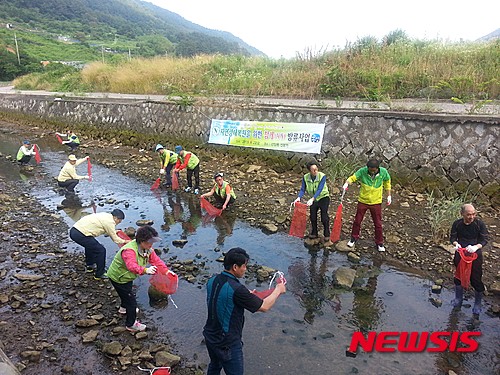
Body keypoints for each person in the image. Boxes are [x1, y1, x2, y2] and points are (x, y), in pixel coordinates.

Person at [203, 247, 286, 375]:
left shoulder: (212, 280)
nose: (245, 269)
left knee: (215, 365)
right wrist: (278, 290)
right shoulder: (237, 290)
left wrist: (247, 295)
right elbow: (264, 307)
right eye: (244, 266)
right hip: (227, 343)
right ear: (235, 267)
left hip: (210, 335)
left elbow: (222, 297)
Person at [107, 225, 168, 332]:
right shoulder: (129, 250)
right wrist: (145, 270)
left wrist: (166, 271)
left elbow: (156, 261)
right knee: (132, 302)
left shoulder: (148, 249)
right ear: (141, 241)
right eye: (149, 242)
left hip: (127, 277)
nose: (151, 245)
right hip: (118, 277)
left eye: (152, 242)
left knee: (127, 293)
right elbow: (132, 266)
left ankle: (123, 308)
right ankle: (131, 324)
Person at [342, 158, 391, 252]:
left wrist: (389, 196)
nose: (372, 172)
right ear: (367, 168)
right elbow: (353, 177)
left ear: (378, 168)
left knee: (378, 224)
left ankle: (379, 243)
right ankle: (353, 238)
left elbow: (387, 183)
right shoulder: (363, 171)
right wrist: (346, 183)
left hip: (376, 202)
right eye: (370, 170)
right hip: (363, 200)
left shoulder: (384, 172)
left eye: (374, 170)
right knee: (357, 221)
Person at [450, 203, 489, 319]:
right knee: (458, 276)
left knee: (476, 278)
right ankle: (458, 299)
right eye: (468, 215)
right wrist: (456, 244)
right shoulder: (457, 224)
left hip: (475, 254)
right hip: (461, 251)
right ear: (462, 214)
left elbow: (484, 239)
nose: (471, 217)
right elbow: (452, 237)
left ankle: (477, 304)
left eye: (473, 214)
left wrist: (476, 247)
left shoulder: (479, 224)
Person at [69, 209, 128, 279]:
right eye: (119, 220)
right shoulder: (110, 222)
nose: (120, 222)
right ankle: (100, 273)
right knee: (101, 250)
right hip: (80, 234)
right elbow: (115, 240)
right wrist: (125, 241)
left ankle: (90, 266)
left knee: (90, 246)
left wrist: (114, 231)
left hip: (75, 230)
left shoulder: (106, 215)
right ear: (115, 217)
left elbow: (104, 229)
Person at [293, 161, 331, 245]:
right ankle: (314, 233)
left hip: (323, 197)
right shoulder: (306, 177)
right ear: (309, 171)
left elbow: (320, 189)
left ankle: (327, 233)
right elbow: (303, 189)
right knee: (313, 216)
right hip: (313, 199)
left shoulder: (322, 176)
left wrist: (312, 198)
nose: (315, 171)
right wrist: (299, 197)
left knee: (324, 216)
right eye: (313, 170)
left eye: (316, 169)